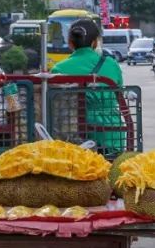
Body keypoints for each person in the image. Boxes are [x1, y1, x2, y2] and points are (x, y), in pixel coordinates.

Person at [51, 20, 125, 153]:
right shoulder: (111, 64)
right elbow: (119, 92)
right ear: (95, 42)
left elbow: (55, 106)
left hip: (73, 134)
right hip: (112, 134)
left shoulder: (58, 69)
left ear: (70, 42)